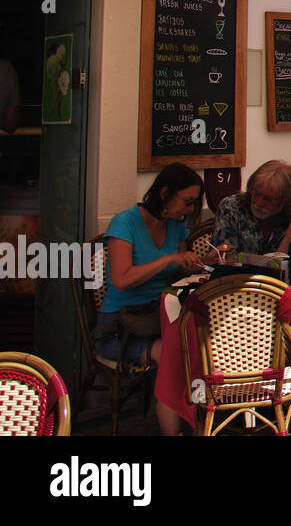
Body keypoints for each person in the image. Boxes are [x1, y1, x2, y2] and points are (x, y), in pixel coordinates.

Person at [96, 162, 213, 435]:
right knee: (174, 354)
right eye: (187, 202)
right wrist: (169, 258)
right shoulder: (124, 223)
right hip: (119, 330)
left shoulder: (176, 226)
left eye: (195, 204)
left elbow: (179, 273)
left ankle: (200, 422)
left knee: (204, 344)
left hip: (160, 319)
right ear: (164, 193)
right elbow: (122, 279)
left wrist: (203, 262)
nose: (191, 210)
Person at [212, 160, 291, 256]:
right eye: (257, 193)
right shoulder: (231, 207)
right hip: (235, 281)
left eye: (268, 199)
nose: (259, 203)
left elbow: (288, 265)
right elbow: (225, 259)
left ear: (286, 200)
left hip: (277, 284)